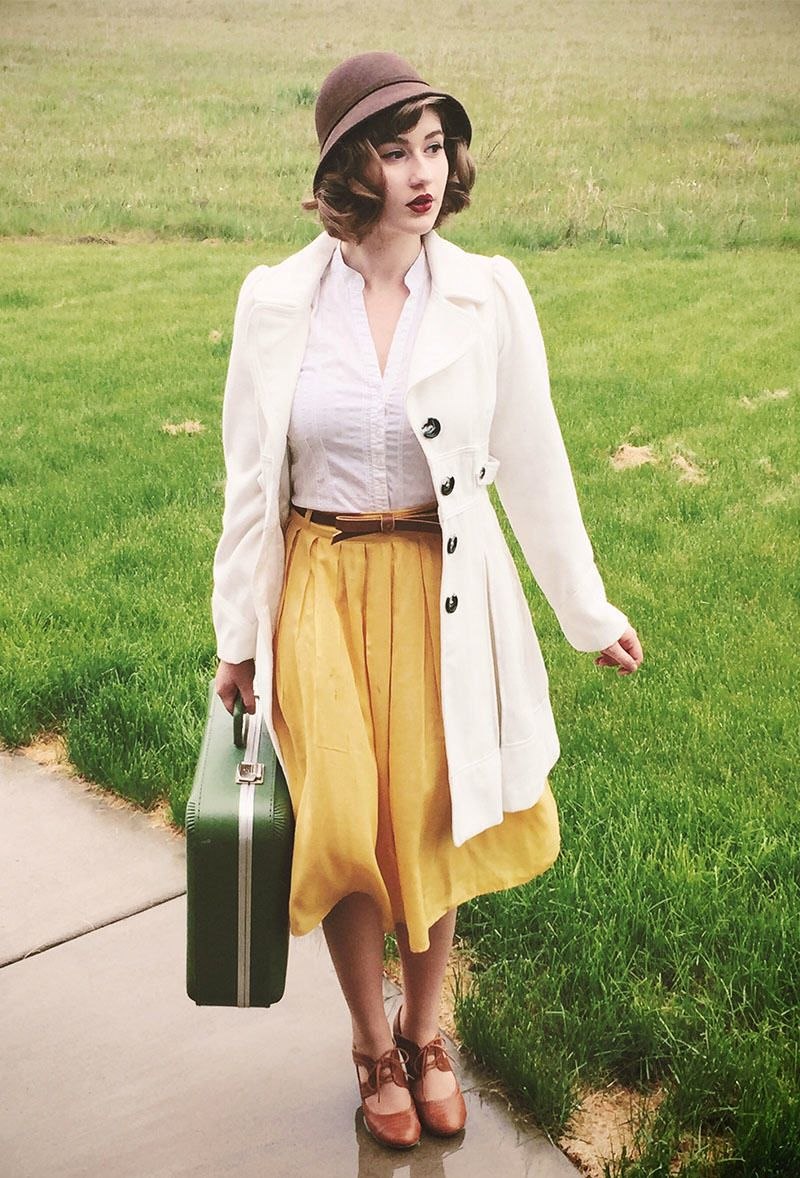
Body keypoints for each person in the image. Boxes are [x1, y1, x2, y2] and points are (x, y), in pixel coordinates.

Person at [212, 51, 643, 1151]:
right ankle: (371, 1042)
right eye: (395, 150)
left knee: (430, 819)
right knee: (347, 827)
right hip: (320, 587)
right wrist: (237, 638)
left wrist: (587, 613)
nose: (423, 171)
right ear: (345, 169)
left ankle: (426, 1026)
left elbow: (534, 460)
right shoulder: (275, 300)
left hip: (441, 587)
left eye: (435, 147)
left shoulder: (486, 293)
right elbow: (250, 484)